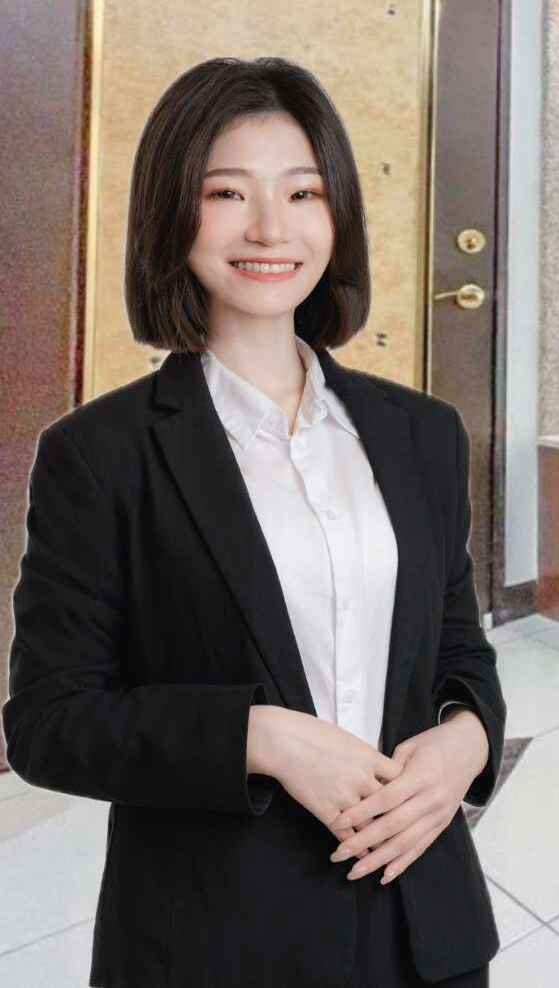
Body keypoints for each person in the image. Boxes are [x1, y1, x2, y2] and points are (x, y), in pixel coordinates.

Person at [3, 56, 506, 986]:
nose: (271, 227)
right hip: (215, 931)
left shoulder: (424, 434)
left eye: (303, 192)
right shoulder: (99, 455)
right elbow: (48, 720)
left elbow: (455, 646)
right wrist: (260, 735)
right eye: (227, 192)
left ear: (337, 214)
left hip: (420, 913)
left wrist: (466, 741)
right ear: (172, 212)